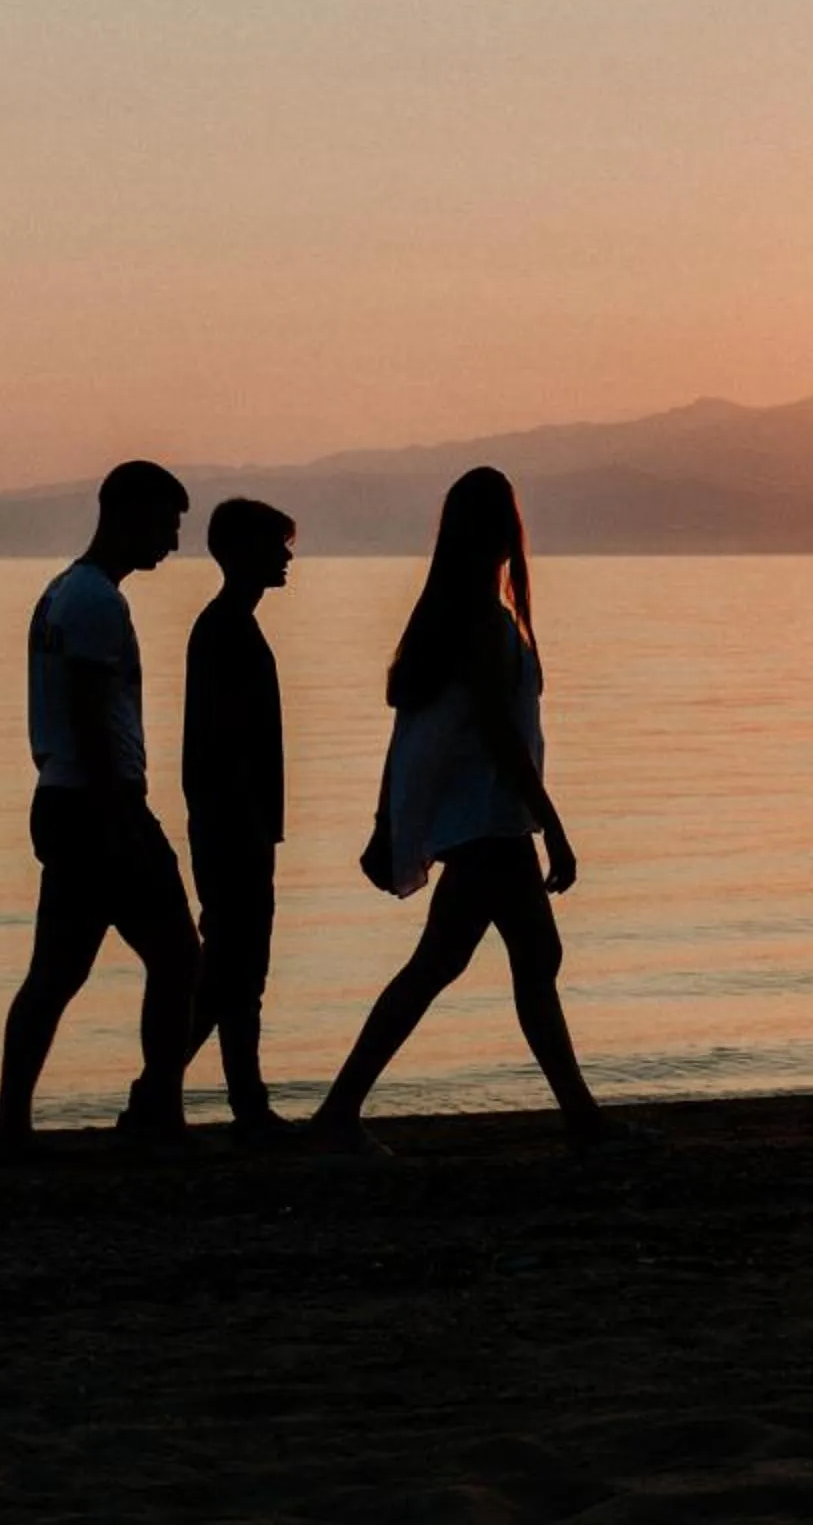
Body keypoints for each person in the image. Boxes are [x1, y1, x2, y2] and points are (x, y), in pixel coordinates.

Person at [310, 466, 629, 1154]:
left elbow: (411, 735)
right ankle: (583, 1121)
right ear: (498, 532)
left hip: (483, 821)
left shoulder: (452, 616)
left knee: (466, 962)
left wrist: (385, 821)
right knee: (500, 959)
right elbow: (496, 733)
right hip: (489, 822)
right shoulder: (480, 622)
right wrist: (555, 826)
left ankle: (579, 1117)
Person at [0, 459, 199, 1154]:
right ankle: (160, 1116)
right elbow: (85, 712)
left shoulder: (63, 594)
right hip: (98, 803)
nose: (171, 543)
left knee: (56, 971)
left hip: (66, 799)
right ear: (129, 514)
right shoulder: (94, 604)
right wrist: (123, 822)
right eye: (167, 526)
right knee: (178, 958)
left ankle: (11, 1125)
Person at [179, 496, 297, 1145]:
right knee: (235, 970)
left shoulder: (229, 627)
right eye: (276, 544)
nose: (286, 557)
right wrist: (248, 827)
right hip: (233, 828)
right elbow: (222, 746)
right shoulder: (225, 630)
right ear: (238, 551)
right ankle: (240, 1106)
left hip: (238, 824)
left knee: (229, 969)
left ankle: (186, 1093)